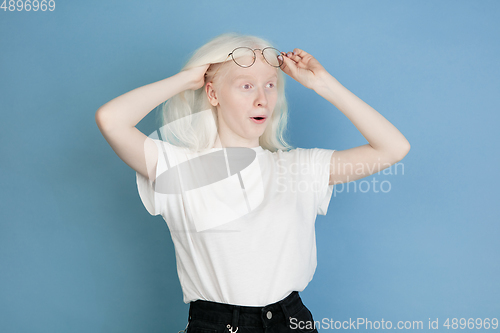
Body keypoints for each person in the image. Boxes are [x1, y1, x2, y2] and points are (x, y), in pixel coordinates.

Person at [95, 33, 410, 333]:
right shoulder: (179, 168)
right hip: (216, 324)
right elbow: (111, 120)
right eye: (246, 86)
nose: (262, 99)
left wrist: (324, 84)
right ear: (213, 94)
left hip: (291, 321)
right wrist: (187, 80)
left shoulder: (298, 168)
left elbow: (393, 147)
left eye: (270, 85)